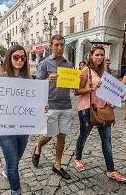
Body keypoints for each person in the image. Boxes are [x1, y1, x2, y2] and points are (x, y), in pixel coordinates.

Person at [0, 44, 49, 195]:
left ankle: (6, 169)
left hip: (22, 126)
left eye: (22, 57)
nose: (19, 60)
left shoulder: (28, 79)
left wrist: (41, 108)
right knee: (13, 164)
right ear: (9, 58)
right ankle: (15, 191)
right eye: (16, 57)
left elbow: (32, 102)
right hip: (3, 127)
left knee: (17, 157)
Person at [74, 44, 126, 181]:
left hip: (103, 109)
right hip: (87, 108)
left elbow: (107, 92)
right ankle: (78, 158)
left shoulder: (105, 72)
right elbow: (77, 91)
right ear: (90, 56)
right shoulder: (85, 70)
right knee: (83, 136)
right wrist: (91, 88)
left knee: (107, 141)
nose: (99, 57)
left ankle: (111, 170)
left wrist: (116, 96)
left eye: (102, 55)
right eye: (97, 54)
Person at [32, 35, 73, 179]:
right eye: (56, 45)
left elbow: (73, 85)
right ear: (51, 46)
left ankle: (57, 165)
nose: (60, 48)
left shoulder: (69, 64)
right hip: (51, 105)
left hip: (66, 105)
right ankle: (38, 148)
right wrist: (47, 80)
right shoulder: (44, 64)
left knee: (62, 136)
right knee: (48, 135)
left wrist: (78, 80)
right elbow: (37, 85)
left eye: (62, 45)